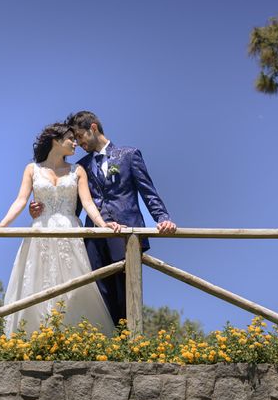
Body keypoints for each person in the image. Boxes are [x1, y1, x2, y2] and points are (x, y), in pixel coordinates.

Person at [30, 110, 176, 325]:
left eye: (80, 136)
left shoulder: (129, 154)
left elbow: (148, 191)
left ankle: (130, 345)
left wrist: (163, 218)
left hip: (126, 235)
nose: (78, 143)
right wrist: (40, 212)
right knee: (98, 293)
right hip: (94, 237)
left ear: (93, 128)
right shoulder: (81, 166)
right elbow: (72, 205)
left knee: (126, 292)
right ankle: (107, 346)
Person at [0, 123, 121, 337]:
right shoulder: (31, 169)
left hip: (70, 233)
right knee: (37, 283)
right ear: (56, 140)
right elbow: (20, 200)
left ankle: (77, 339)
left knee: (75, 286)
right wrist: (2, 223)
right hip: (40, 234)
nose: (75, 143)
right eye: (71, 138)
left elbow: (88, 204)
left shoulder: (77, 170)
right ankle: (34, 338)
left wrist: (103, 224)